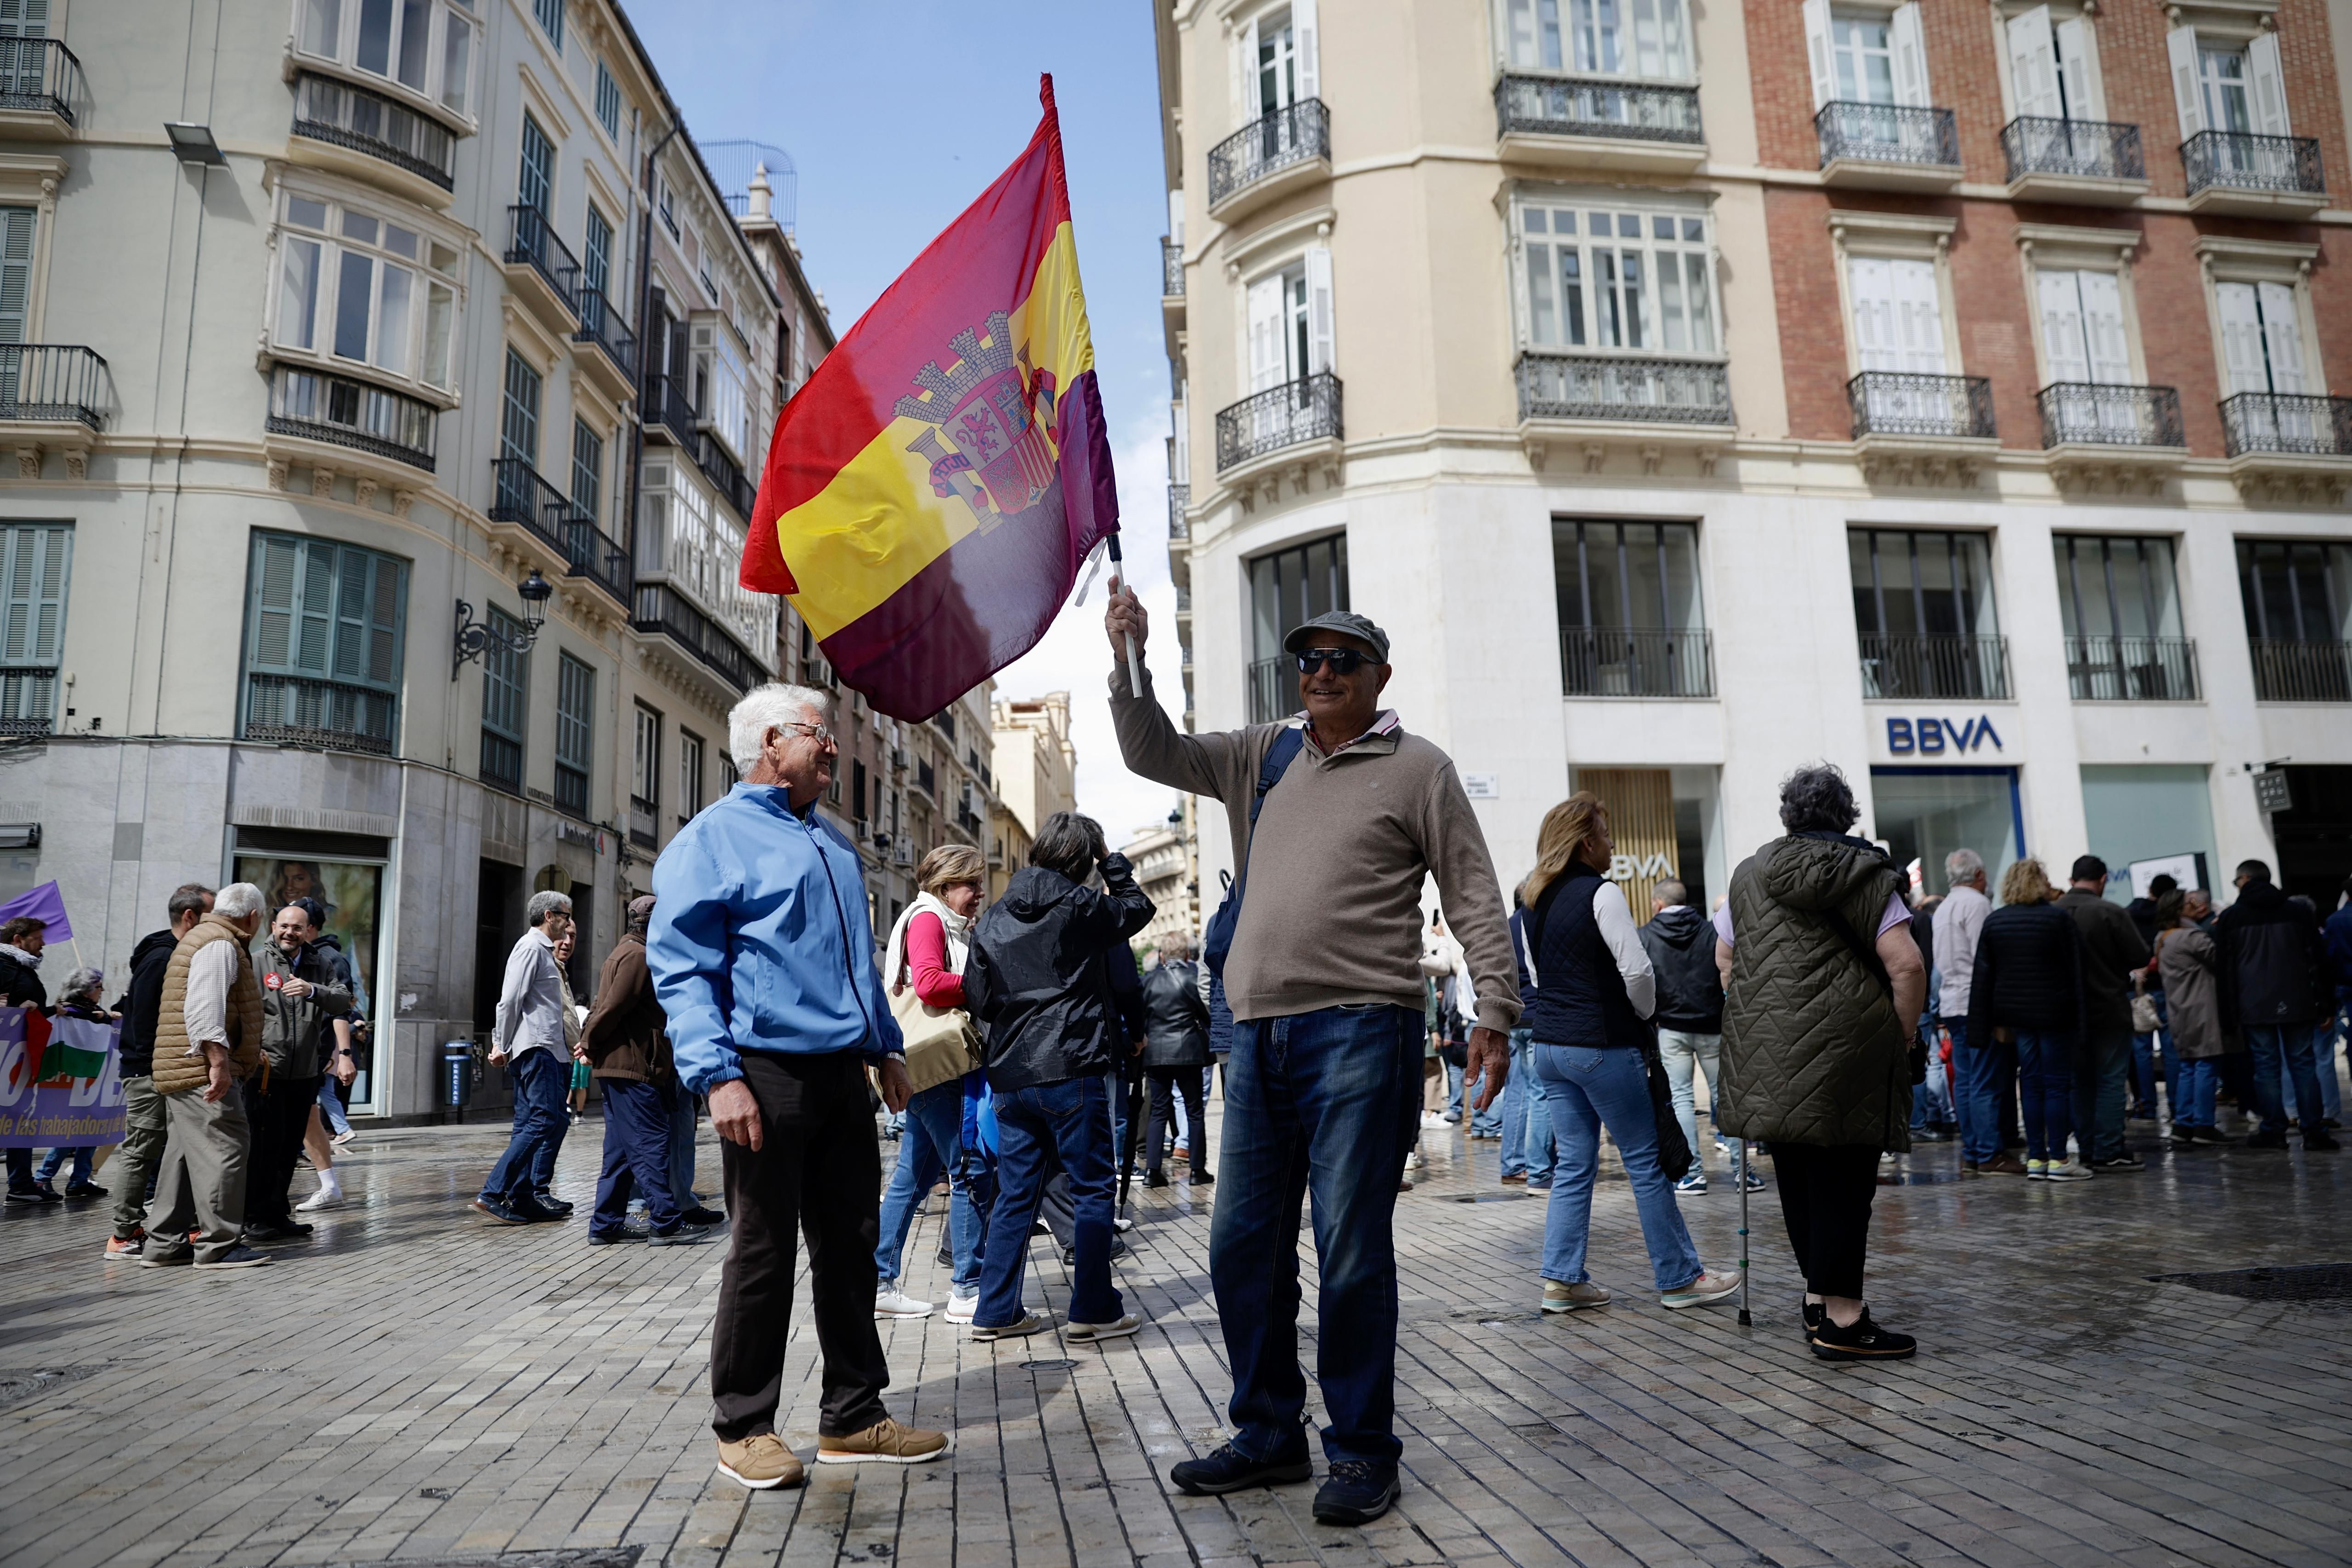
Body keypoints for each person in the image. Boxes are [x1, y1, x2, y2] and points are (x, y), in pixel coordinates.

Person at [1107, 590, 1518, 1526]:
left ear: (1378, 676)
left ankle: (1363, 1450)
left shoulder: (1419, 767)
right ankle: (1267, 1433)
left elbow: (1472, 891)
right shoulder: (1266, 751)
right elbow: (1151, 752)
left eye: (1341, 660)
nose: (1320, 673)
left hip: (1363, 1027)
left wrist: (1494, 1004)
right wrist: (1129, 660)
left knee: (1348, 1249)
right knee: (1241, 1243)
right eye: (1308, 660)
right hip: (1253, 1031)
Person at [649, 682, 946, 1490]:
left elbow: (856, 962)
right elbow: (682, 968)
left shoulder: (834, 843)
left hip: (843, 1073)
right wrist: (718, 1076)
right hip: (763, 1075)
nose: (833, 747)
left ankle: (853, 1413)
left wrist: (885, 1047)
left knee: (851, 1245)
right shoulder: (711, 840)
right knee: (763, 1248)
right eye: (819, 733)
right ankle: (743, 1424)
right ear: (772, 741)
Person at [1716, 764, 1925, 1361]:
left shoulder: (1749, 875)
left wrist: (1757, 1010)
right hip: (1849, 1051)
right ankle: (1843, 1319)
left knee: (1802, 1179)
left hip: (1772, 1052)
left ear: (1790, 815)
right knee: (1844, 1182)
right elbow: (1906, 965)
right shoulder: (1865, 874)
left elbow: (1724, 955)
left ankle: (1816, 1298)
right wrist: (1901, 1034)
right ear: (1846, 814)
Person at [1522, 798, 1741, 1315]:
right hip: (1601, 1045)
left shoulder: (1533, 899)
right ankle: (1680, 1277)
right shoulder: (1602, 893)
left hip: (1551, 1047)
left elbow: (1533, 977)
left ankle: (1562, 1280)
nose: (1612, 844)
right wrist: (1644, 1017)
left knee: (1574, 1164)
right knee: (1644, 1163)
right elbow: (1637, 971)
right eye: (1604, 834)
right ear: (1584, 842)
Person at [963, 812, 1151, 1344]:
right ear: (1082, 859)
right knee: (1092, 1188)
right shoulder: (1079, 904)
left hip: (1012, 1074)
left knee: (1015, 1195)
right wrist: (1113, 866)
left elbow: (977, 998)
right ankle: (1092, 1309)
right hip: (1070, 1063)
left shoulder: (994, 917)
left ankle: (995, 1311)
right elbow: (1137, 910)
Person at [873, 845, 989, 1321]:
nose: (979, 893)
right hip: (938, 1066)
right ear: (945, 887)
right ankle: (966, 1289)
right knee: (968, 1170)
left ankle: (878, 1280)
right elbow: (929, 984)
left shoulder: (927, 918)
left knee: (914, 1176)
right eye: (971, 885)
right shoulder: (928, 920)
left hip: (922, 1063)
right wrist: (985, 985)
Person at [139, 882, 273, 1270]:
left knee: (182, 1156)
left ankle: (164, 1243)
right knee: (225, 1147)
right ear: (253, 916)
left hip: (183, 1069)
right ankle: (219, 1245)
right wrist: (218, 1063)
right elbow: (205, 1007)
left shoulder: (205, 937)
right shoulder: (220, 943)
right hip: (200, 1070)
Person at [582, 895, 713, 1248]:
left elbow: (601, 1005)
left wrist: (589, 1041)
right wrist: (589, 1042)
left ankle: (605, 1223)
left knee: (621, 1152)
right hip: (633, 1066)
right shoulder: (639, 956)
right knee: (651, 1144)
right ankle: (666, 1223)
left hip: (624, 1065)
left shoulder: (624, 951)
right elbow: (610, 1008)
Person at [103, 885, 214, 1260]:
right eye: (210, 915)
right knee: (142, 1149)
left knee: (178, 1150)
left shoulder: (174, 952)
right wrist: (159, 1065)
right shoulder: (161, 958)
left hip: (164, 1069)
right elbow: (148, 1019)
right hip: (150, 1071)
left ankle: (188, 1225)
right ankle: (123, 1234)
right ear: (190, 917)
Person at [1965, 859, 2089, 1181]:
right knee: (2057, 1084)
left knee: (2031, 1084)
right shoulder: (2058, 919)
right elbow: (2076, 972)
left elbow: (1984, 979)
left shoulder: (1996, 922)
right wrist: (2083, 1020)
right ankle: (2059, 1160)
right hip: (2054, 1015)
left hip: (2016, 1017)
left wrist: (1982, 1027)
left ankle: (2036, 1158)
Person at [245, 903, 352, 1241]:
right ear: (274, 926)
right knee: (263, 1148)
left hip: (304, 1073)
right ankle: (253, 1218)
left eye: (298, 928)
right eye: (285, 926)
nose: (290, 933)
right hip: (266, 1074)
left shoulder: (319, 963)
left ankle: (278, 1216)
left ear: (308, 932)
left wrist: (312, 991)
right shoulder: (255, 962)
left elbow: (343, 1001)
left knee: (290, 1148)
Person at [1640, 877, 1754, 1195]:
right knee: (1726, 1098)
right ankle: (1743, 1173)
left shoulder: (1646, 936)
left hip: (1671, 1028)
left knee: (1681, 1100)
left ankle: (1691, 1175)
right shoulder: (1712, 930)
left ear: (1658, 904)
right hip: (1712, 1026)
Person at [2213, 860, 2337, 1152]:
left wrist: (2228, 1014)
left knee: (2266, 1068)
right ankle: (2314, 1130)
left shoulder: (2232, 918)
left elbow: (2225, 971)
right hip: (2298, 1000)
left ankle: (2273, 1130)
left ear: (2244, 880)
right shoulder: (2298, 913)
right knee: (2304, 1065)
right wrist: (2326, 1003)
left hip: (2254, 1004)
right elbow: (2318, 960)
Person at [474, 890, 577, 1224]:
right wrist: (500, 1044)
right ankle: (493, 1193)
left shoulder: (544, 953)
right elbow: (509, 1001)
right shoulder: (530, 948)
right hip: (537, 1049)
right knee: (545, 1120)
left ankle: (522, 1196)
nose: (569, 921)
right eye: (566, 914)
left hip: (549, 1050)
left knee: (545, 1120)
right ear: (549, 916)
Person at [2055, 855, 2152, 1171]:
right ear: (2104, 879)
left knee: (2078, 1081)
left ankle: (2086, 1148)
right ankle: (2109, 1150)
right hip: (2108, 1007)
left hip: (2066, 1013)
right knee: (2110, 1080)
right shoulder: (2110, 911)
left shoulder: (2053, 912)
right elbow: (2139, 954)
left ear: (2072, 879)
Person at [1934, 849, 2022, 1176]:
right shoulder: (1978, 904)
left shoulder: (1944, 907)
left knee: (1968, 1080)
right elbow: (1987, 957)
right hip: (1976, 1002)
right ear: (1980, 875)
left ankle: (1973, 1150)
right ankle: (1989, 1152)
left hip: (1953, 1001)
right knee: (1985, 1080)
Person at [2155, 890, 2235, 1147]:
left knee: (2188, 1067)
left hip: (2178, 1008)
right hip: (2202, 1008)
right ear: (2179, 910)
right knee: (2207, 1065)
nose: (2196, 906)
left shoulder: (2163, 938)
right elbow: (2221, 961)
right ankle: (2203, 1124)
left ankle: (2184, 1123)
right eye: (2189, 903)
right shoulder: (2192, 937)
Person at [32, 967, 115, 1198]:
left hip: (89, 1079)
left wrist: (106, 1017)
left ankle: (79, 1179)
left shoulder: (92, 1011)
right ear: (87, 991)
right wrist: (101, 1018)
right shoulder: (69, 1012)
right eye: (98, 987)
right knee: (71, 1131)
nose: (102, 991)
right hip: (71, 1080)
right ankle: (42, 1178)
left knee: (90, 1129)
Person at [1140, 935, 1214, 1188]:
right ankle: (1197, 1169)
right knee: (1194, 1111)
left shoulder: (1148, 981)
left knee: (1159, 1110)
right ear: (1185, 956)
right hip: (1188, 1051)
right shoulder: (1193, 979)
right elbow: (1206, 1014)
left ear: (1162, 955)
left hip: (1157, 1053)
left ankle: (1152, 1171)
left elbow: (1140, 1017)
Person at [1499, 893, 1554, 1190]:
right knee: (1540, 1095)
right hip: (1536, 1017)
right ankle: (1539, 1170)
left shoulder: (1506, 925)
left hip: (1515, 1019)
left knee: (1518, 1093)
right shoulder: (1536, 924)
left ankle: (1513, 1164)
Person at [0, 915, 53, 1203]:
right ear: (18, 940)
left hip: (17, 1059)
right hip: (4, 1057)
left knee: (20, 1117)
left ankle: (21, 1184)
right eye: (38, 938)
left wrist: (49, 1011)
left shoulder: (23, 968)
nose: (43, 943)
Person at [2127, 873, 2180, 1118]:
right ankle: (2177, 1105)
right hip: (2166, 987)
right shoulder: (2170, 919)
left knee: (2141, 1051)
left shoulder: (2129, 914)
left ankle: (2146, 1106)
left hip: (2137, 990)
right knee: (2171, 1049)